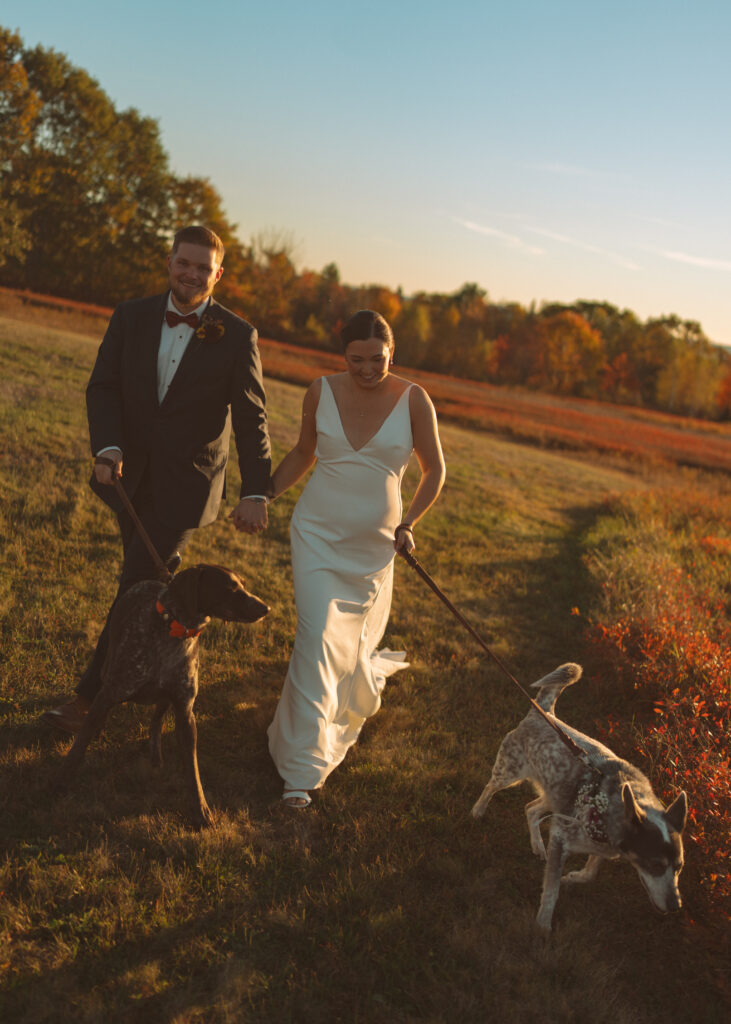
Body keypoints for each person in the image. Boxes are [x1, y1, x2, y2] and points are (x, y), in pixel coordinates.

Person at [43, 225, 272, 733]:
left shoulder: (237, 335)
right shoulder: (131, 315)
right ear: (170, 261)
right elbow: (102, 386)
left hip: (186, 487)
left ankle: (89, 699)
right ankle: (157, 677)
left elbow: (252, 417)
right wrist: (106, 446)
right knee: (147, 591)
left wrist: (256, 491)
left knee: (136, 582)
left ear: (218, 273)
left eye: (201, 267)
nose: (190, 274)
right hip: (125, 477)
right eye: (182, 262)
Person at [267, 309, 446, 807]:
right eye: (356, 360)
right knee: (319, 633)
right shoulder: (320, 390)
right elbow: (303, 453)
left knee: (345, 643)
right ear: (342, 356)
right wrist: (262, 496)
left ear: (393, 354)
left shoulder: (414, 399)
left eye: (377, 360)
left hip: (373, 545)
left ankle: (314, 725)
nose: (367, 370)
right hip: (316, 534)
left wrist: (409, 523)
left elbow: (434, 470)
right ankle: (300, 770)